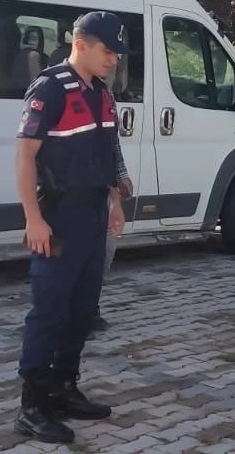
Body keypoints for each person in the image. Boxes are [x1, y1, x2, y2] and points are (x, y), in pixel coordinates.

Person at [12, 12, 131, 444]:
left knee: (83, 310)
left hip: (93, 213)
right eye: (108, 50)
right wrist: (33, 218)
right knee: (49, 312)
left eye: (117, 53)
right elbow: (25, 157)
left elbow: (106, 154)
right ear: (81, 43)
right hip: (57, 218)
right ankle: (32, 405)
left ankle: (64, 387)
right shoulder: (50, 88)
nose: (114, 60)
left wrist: (114, 202)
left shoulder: (101, 93)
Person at [93, 136, 134, 334]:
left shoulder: (108, 105)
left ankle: (91, 307)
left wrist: (121, 175)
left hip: (101, 191)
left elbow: (111, 146)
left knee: (106, 250)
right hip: (69, 191)